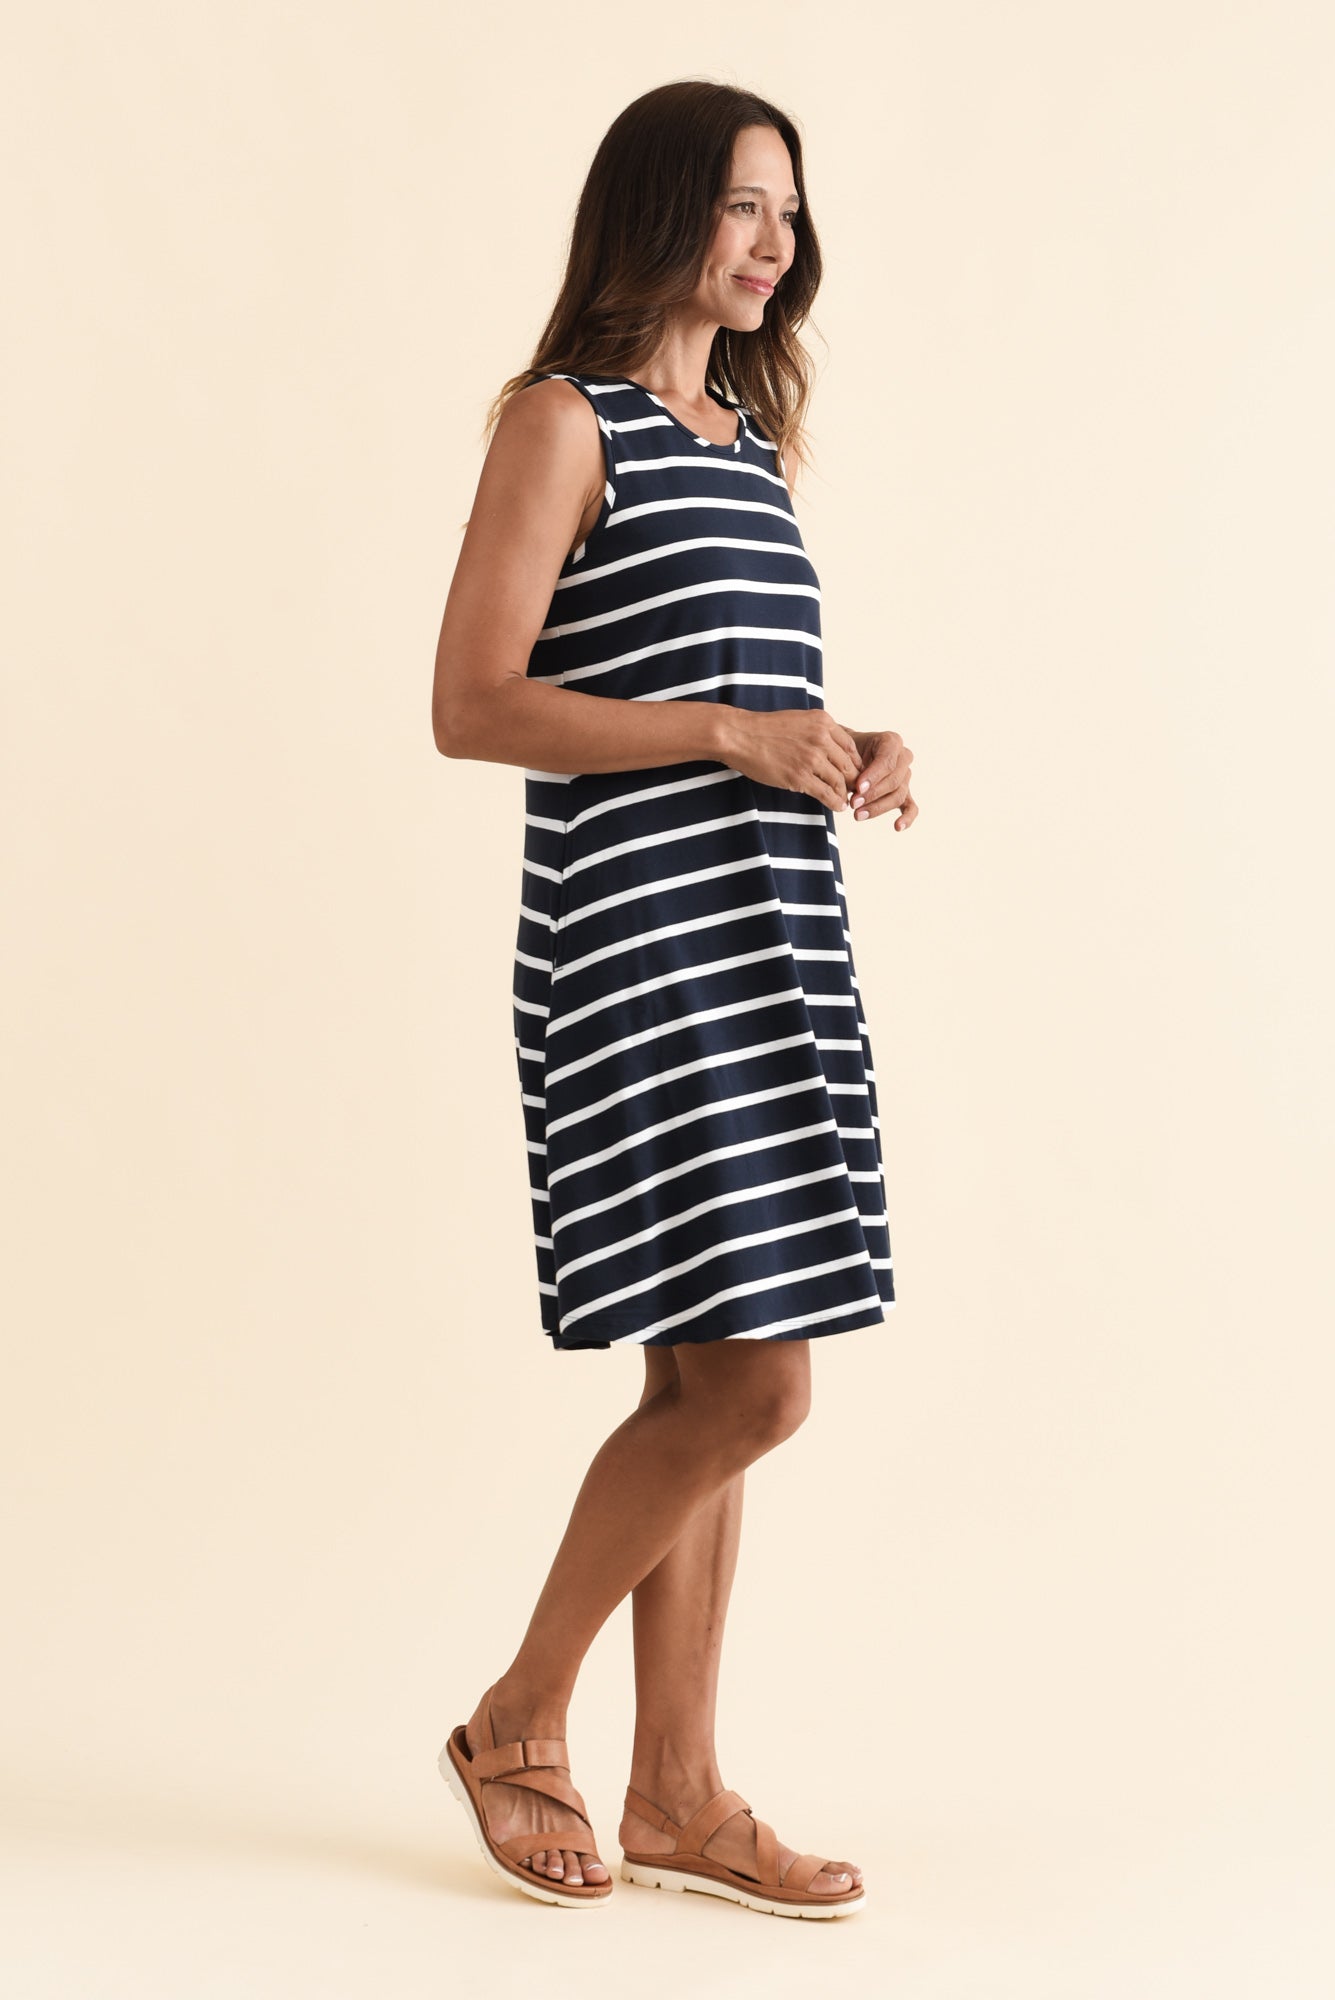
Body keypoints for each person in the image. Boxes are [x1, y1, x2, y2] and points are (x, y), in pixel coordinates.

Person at [430, 79, 918, 1920]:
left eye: (788, 208)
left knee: (711, 1367)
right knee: (758, 1391)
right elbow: (473, 703)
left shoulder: (753, 445)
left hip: (769, 937)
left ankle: (679, 1791)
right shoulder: (563, 422)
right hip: (640, 958)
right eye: (737, 204)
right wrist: (728, 733)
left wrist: (844, 744)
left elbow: (729, 694)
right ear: (657, 213)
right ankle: (517, 1718)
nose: (773, 239)